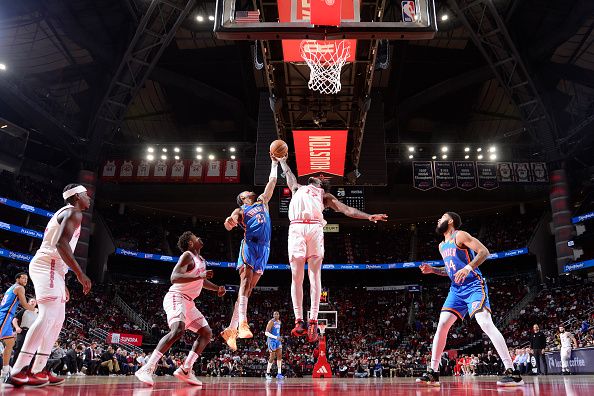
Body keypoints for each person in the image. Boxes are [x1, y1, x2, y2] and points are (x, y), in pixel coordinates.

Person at [276, 155, 388, 342]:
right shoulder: (298, 188)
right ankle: (298, 320)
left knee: (314, 276)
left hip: (314, 228)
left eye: (322, 178)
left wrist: (368, 216)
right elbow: (289, 175)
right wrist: (282, 161)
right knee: (296, 276)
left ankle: (312, 319)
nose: (319, 176)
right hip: (295, 227)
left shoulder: (325, 195)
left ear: (321, 184)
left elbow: (347, 210)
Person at [416, 212, 523, 387]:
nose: (438, 219)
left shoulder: (460, 235)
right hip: (456, 290)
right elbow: (450, 269)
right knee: (442, 325)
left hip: (473, 285)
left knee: (485, 322)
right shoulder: (441, 246)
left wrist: (468, 267)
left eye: (442, 217)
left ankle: (513, 372)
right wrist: (433, 270)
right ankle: (433, 373)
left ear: (450, 221)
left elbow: (484, 252)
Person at [8, 184, 92, 387]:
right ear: (77, 196)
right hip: (48, 265)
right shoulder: (73, 212)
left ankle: (38, 369)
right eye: (86, 195)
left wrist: (63, 279)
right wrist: (80, 274)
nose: (89, 198)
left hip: (55, 269)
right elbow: (61, 245)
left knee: (57, 320)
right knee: (46, 317)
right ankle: (18, 370)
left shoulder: (70, 213)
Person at [135, 231, 226, 387]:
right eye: (195, 237)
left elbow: (200, 281)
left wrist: (217, 288)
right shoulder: (187, 255)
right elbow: (174, 277)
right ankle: (147, 367)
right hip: (176, 296)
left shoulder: (201, 260)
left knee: (206, 332)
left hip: (189, 302)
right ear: (190, 243)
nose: (199, 238)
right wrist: (200, 276)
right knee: (178, 330)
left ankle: (186, 369)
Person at [220, 155, 278, 350]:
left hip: (265, 249)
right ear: (243, 198)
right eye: (245, 193)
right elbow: (231, 220)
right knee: (244, 283)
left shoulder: (262, 202)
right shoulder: (241, 210)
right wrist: (230, 221)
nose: (250, 191)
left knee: (249, 290)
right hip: (250, 246)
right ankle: (243, 323)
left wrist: (274, 163)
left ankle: (230, 329)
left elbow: (272, 182)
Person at [0, 273, 36, 379]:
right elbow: (25, 304)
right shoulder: (19, 287)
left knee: (10, 343)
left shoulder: (12, 288)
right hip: (5, 316)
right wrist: (37, 310)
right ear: (17, 279)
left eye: (27, 278)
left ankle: (5, 369)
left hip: (8, 317)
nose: (25, 280)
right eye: (23, 278)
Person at [11, 298, 38, 366]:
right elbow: (14, 320)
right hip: (23, 331)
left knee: (30, 351)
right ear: (28, 303)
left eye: (35, 302)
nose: (33, 302)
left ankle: (25, 369)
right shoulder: (24, 310)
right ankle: (13, 367)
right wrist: (17, 327)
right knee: (18, 349)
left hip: (32, 333)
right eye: (32, 301)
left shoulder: (38, 313)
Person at [264, 311, 284, 380]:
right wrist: (276, 337)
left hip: (278, 340)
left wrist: (280, 338)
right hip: (271, 340)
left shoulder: (279, 322)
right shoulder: (271, 322)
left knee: (279, 356)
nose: (276, 315)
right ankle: (267, 373)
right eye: (274, 314)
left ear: (279, 315)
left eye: (277, 314)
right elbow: (266, 333)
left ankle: (279, 373)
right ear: (273, 315)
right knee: (272, 357)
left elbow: (277, 332)